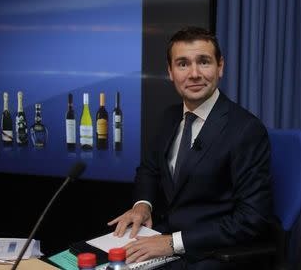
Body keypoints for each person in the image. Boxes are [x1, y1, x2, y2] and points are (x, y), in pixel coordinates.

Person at [108, 26, 273, 269]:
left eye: (204, 62)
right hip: (163, 237)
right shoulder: (169, 117)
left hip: (212, 252)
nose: (194, 74)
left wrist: (173, 243)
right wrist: (143, 205)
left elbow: (252, 219)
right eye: (183, 64)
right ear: (171, 72)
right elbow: (149, 170)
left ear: (220, 67)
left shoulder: (246, 130)